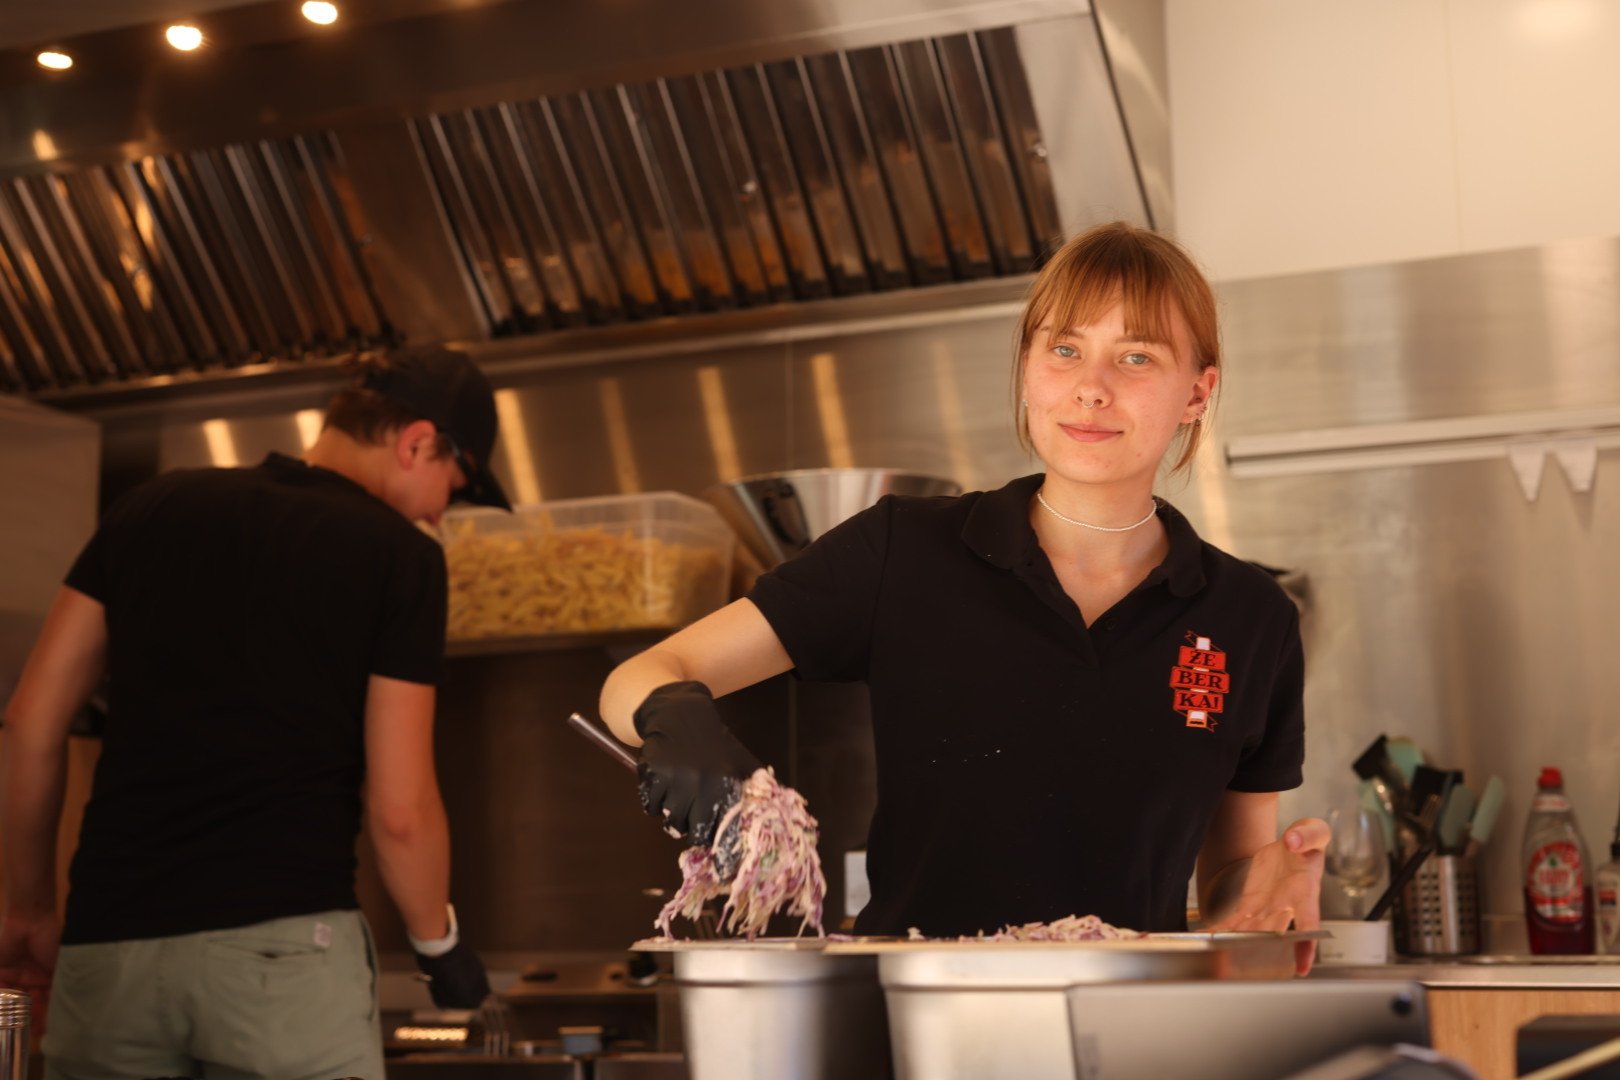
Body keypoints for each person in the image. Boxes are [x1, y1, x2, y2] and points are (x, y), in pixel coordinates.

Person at [601, 222, 1328, 971]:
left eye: (1136, 357)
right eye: (1064, 349)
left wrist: (1271, 888)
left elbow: (1229, 890)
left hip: (1127, 1023)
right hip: (917, 1016)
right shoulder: (904, 550)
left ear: (1197, 393)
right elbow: (638, 680)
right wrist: (675, 720)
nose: (1091, 387)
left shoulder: (1251, 618)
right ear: (1027, 369)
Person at [0, 345, 507, 1079]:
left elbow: (29, 721)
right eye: (451, 491)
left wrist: (28, 912)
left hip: (108, 954)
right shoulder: (401, 557)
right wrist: (439, 947)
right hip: (283, 958)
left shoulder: (149, 507)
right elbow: (401, 809)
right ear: (417, 442)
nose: (439, 514)